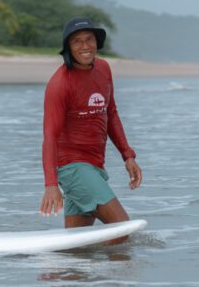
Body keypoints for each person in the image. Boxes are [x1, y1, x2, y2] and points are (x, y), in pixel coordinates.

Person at [39, 18, 142, 241]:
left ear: (97, 42)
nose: (85, 46)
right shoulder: (60, 84)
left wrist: (128, 155)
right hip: (73, 168)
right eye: (77, 41)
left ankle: (63, 273)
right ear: (68, 47)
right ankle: (119, 276)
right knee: (121, 232)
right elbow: (50, 137)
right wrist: (50, 185)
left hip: (95, 167)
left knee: (78, 248)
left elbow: (110, 112)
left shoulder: (103, 68)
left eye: (89, 40)